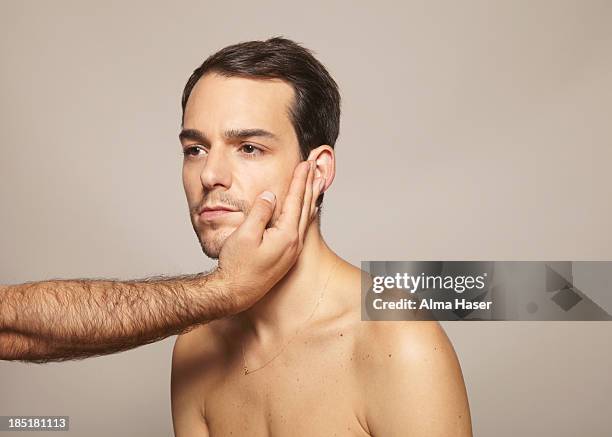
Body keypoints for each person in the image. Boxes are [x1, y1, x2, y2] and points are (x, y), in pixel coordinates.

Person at [170, 37, 472, 436]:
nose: (210, 175)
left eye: (248, 147)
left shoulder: (399, 343)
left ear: (318, 172)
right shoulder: (196, 346)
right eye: (195, 149)